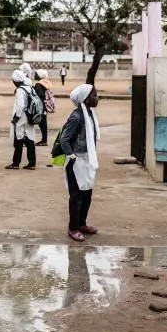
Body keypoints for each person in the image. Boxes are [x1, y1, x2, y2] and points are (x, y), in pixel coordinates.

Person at [59, 84, 100, 242]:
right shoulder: (77, 117)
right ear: (85, 99)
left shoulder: (89, 114)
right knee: (76, 195)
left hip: (87, 158)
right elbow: (64, 139)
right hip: (75, 160)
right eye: (94, 95)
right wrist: (72, 156)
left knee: (87, 193)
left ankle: (82, 223)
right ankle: (73, 228)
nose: (97, 98)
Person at [5, 69, 36, 170]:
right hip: (31, 116)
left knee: (19, 138)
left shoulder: (20, 90)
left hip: (22, 116)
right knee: (30, 139)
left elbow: (21, 105)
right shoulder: (30, 88)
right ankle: (32, 163)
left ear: (16, 81)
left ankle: (15, 163)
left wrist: (16, 118)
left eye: (13, 80)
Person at [33, 69, 54, 147]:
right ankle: (44, 140)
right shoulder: (45, 83)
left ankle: (44, 140)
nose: (34, 75)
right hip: (44, 107)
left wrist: (38, 109)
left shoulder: (38, 85)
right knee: (43, 123)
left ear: (40, 76)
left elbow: (39, 97)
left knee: (42, 124)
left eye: (36, 74)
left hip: (41, 107)